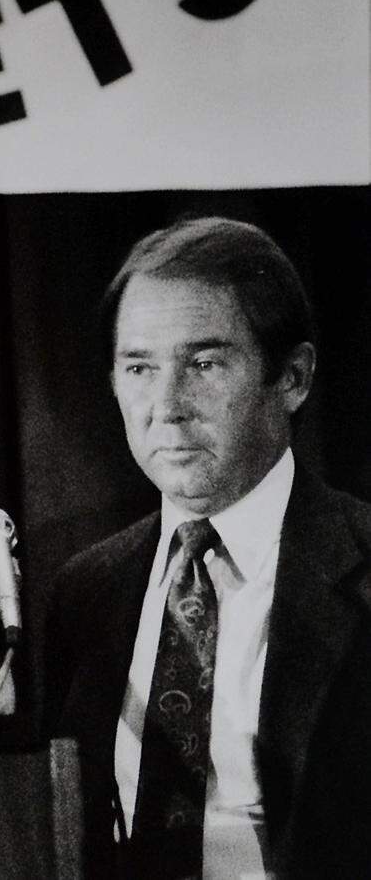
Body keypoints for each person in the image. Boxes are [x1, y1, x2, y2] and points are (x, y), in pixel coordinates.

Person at [43, 217, 371, 880]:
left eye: (204, 363)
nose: (165, 405)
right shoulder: (85, 590)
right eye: (139, 366)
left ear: (294, 376)